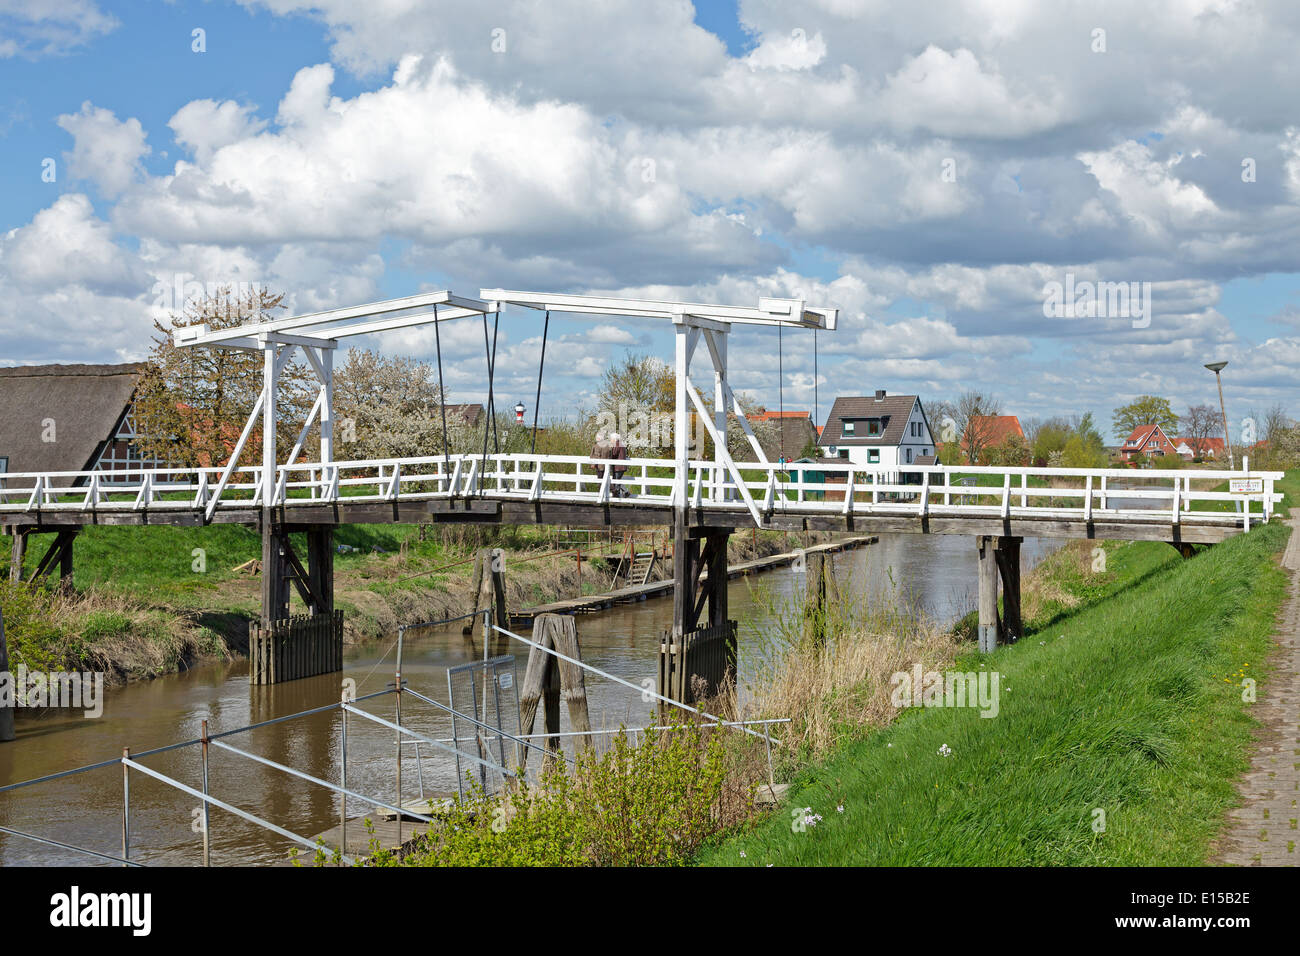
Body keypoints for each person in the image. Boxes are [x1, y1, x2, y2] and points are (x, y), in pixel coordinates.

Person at [609, 431, 630, 496]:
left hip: (619, 467)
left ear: (614, 439)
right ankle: (626, 492)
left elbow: (614, 453)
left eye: (611, 439)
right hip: (620, 466)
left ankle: (616, 494)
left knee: (616, 481)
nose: (610, 440)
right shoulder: (620, 444)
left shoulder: (617, 444)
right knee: (617, 480)